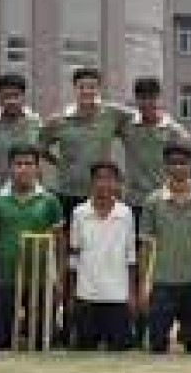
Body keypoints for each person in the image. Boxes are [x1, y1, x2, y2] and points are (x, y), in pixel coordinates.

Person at [40, 67, 129, 344]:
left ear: (98, 89)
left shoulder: (112, 115)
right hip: (68, 196)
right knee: (70, 261)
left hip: (103, 198)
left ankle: (113, 319)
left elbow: (142, 118)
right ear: (75, 89)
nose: (87, 91)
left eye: (92, 86)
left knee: (105, 258)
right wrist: (60, 164)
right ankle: (68, 324)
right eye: (82, 87)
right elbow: (40, 146)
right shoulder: (59, 121)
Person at [138, 142, 191, 354]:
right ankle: (173, 328)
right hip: (163, 282)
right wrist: (142, 286)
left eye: (183, 163)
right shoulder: (153, 202)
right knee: (157, 347)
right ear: (165, 166)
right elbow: (146, 248)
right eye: (173, 163)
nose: (178, 167)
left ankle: (188, 331)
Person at [121, 77, 189, 346]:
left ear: (159, 99)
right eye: (142, 98)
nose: (147, 103)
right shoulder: (128, 125)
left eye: (151, 97)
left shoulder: (174, 131)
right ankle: (139, 325)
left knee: (172, 262)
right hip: (136, 204)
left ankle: (184, 321)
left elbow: (186, 162)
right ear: (136, 100)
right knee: (138, 264)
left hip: (166, 204)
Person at [0, 145, 65, 350]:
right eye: (18, 164)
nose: (24, 169)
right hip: (4, 278)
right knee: (0, 342)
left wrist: (59, 280)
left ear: (38, 168)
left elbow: (60, 245)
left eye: (29, 164)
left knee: (41, 341)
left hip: (39, 279)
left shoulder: (50, 200)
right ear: (10, 167)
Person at [68, 161, 137, 351]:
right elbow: (74, 256)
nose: (104, 184)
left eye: (109, 179)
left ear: (117, 183)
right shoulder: (79, 213)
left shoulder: (125, 213)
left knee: (120, 349)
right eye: (99, 178)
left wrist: (131, 294)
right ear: (91, 182)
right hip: (86, 295)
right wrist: (72, 293)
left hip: (117, 296)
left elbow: (130, 256)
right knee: (85, 348)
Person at [0, 73, 42, 195]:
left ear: (23, 96)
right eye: (6, 96)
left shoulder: (35, 122)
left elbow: (39, 156)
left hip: (28, 190)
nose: (11, 101)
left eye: (16, 96)